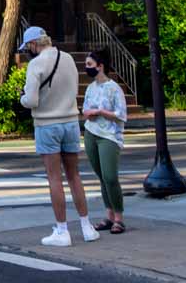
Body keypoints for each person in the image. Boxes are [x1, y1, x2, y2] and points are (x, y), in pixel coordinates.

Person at [18, 25, 99, 247]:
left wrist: (22, 98)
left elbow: (32, 100)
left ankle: (62, 230)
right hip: (71, 121)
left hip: (47, 124)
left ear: (34, 44)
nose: (28, 51)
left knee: (55, 178)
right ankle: (87, 226)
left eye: (28, 46)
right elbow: (74, 90)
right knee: (74, 176)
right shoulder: (68, 58)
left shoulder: (35, 64)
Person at [82, 49, 129, 234]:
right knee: (102, 177)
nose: (87, 68)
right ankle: (109, 215)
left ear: (100, 66)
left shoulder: (114, 88)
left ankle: (119, 217)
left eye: (89, 65)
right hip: (91, 132)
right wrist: (89, 113)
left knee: (110, 176)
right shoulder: (90, 88)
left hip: (109, 135)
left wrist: (101, 112)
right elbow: (85, 109)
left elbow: (121, 115)